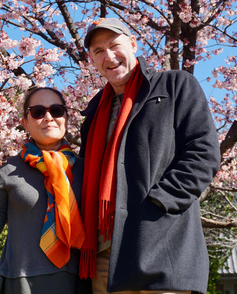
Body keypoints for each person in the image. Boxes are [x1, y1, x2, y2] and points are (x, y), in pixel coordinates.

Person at [78, 17, 221, 294]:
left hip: (162, 247)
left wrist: (159, 203)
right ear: (92, 60)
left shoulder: (175, 86)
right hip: (106, 257)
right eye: (98, 51)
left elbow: (203, 151)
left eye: (114, 45)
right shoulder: (94, 112)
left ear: (132, 44)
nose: (108, 56)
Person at [0, 87, 88, 294]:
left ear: (66, 118)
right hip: (21, 281)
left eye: (57, 110)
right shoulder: (8, 168)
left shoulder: (86, 170)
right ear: (25, 122)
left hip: (76, 282)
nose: (48, 117)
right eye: (38, 112)